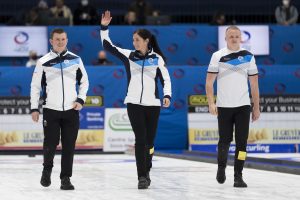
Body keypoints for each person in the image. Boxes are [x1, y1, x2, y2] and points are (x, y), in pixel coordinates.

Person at [100, 10, 172, 189]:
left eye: (137, 40)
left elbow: (166, 79)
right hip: (133, 103)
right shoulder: (129, 56)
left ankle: (147, 168)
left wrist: (167, 95)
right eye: (133, 40)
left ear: (146, 41)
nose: (134, 43)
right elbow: (108, 46)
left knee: (150, 142)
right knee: (140, 139)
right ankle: (142, 176)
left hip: (153, 105)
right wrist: (104, 27)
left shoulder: (157, 59)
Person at [30, 28, 89, 190]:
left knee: (69, 145)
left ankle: (65, 178)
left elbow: (85, 82)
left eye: (63, 39)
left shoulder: (76, 59)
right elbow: (35, 87)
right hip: (51, 110)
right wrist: (34, 108)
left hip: (71, 110)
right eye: (57, 39)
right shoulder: (43, 61)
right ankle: (47, 170)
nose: (60, 42)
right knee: (50, 143)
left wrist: (81, 99)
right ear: (51, 41)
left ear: (67, 40)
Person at [205, 26, 260, 188]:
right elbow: (209, 82)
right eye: (231, 36)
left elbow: (254, 84)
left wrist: (256, 107)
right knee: (224, 141)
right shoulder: (217, 56)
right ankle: (221, 168)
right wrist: (211, 103)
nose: (234, 38)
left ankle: (238, 176)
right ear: (225, 38)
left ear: (241, 38)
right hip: (224, 106)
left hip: (243, 106)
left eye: (237, 36)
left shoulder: (248, 56)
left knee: (242, 143)